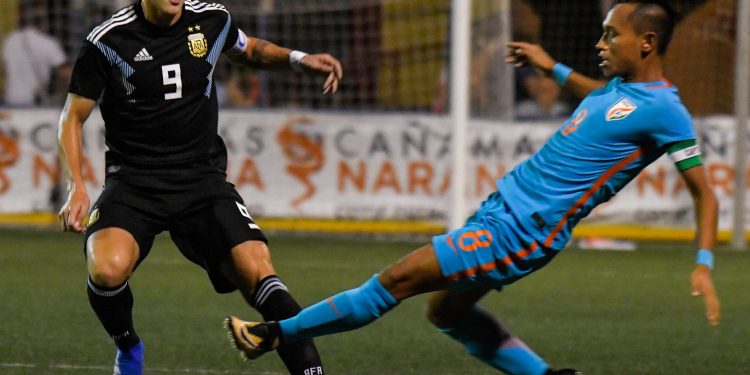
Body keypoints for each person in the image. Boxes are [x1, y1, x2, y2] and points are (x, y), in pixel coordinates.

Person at [224, 1, 720, 374]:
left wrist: (703, 263)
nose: (601, 43)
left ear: (647, 43)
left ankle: (272, 333)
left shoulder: (668, 112)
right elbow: (600, 97)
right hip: (500, 212)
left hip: (523, 229)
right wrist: (551, 67)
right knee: (446, 312)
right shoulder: (623, 90)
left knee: (396, 281)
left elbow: (704, 192)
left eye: (612, 36)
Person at [57, 1, 342, 374]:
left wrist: (298, 59)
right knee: (106, 269)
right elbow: (71, 118)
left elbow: (250, 49)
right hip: (134, 182)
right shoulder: (108, 40)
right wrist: (76, 185)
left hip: (202, 181)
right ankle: (128, 346)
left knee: (258, 270)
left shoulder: (211, 18)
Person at [2, 0, 71, 106]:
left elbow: (4, 71)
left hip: (11, 101)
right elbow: (67, 74)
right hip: (36, 103)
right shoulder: (48, 43)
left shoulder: (10, 39)